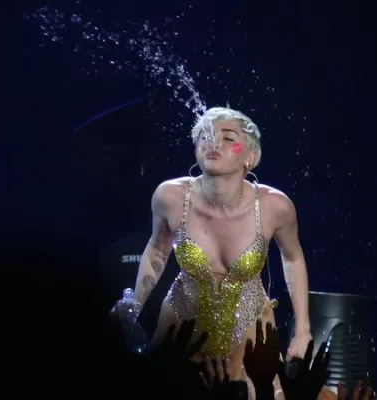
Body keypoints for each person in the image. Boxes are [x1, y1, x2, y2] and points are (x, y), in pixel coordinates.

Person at [133, 107, 312, 399]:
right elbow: (157, 249)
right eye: (205, 136)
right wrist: (133, 305)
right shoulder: (169, 197)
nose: (213, 143)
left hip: (250, 333)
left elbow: (293, 258)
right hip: (182, 326)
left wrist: (303, 330)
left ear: (249, 157)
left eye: (228, 138)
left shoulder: (275, 206)